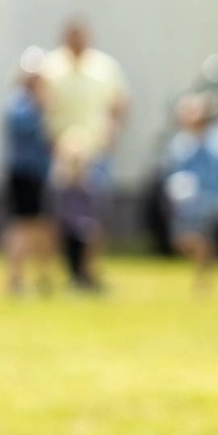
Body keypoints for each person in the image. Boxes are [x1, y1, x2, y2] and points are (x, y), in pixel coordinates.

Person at [39, 18, 130, 289]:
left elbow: (119, 103)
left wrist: (110, 136)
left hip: (94, 154)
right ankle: (60, 272)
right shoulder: (51, 67)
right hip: (61, 154)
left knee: (94, 215)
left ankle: (89, 271)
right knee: (59, 215)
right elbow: (41, 106)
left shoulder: (104, 67)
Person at [0, 47, 55, 295]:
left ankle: (43, 276)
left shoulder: (39, 101)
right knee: (22, 225)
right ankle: (15, 277)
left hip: (40, 173)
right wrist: (41, 106)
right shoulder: (20, 103)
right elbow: (23, 128)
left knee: (42, 226)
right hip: (24, 173)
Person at [164, 91, 218, 292]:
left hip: (202, 201)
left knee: (199, 237)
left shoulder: (209, 143)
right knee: (181, 240)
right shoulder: (180, 142)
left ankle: (202, 279)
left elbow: (212, 175)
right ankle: (206, 266)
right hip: (182, 202)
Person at [51, 129, 103, 292]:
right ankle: (76, 278)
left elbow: (92, 206)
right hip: (67, 226)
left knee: (91, 237)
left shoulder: (88, 180)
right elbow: (59, 208)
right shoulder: (60, 181)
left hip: (84, 225)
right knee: (72, 247)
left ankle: (86, 275)